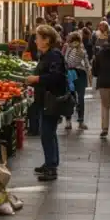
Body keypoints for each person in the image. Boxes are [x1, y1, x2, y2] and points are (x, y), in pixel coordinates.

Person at [26, 25, 68, 181]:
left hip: (51, 100)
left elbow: (56, 77)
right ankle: (50, 163)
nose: (35, 41)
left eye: (38, 38)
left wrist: (37, 79)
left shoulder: (54, 56)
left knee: (47, 134)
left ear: (47, 40)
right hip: (45, 99)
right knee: (49, 133)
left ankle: (51, 168)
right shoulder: (45, 55)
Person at [64, 31, 91, 131]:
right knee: (78, 98)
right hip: (79, 74)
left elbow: (66, 62)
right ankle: (79, 121)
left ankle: (70, 121)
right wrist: (89, 74)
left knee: (71, 97)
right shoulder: (79, 49)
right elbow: (87, 64)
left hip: (72, 74)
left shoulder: (71, 49)